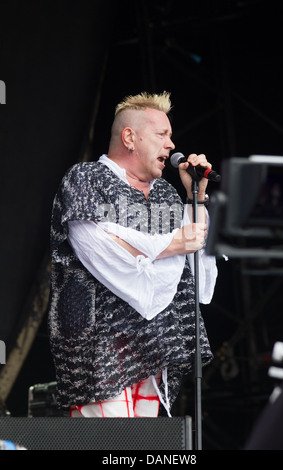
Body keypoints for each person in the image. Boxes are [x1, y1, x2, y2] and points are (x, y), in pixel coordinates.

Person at [48, 91, 218, 418]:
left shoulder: (167, 194)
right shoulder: (85, 179)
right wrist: (172, 244)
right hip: (100, 355)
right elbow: (98, 247)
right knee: (110, 447)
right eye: (161, 135)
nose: (171, 145)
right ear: (130, 137)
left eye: (171, 136)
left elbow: (196, 267)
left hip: (155, 353)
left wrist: (195, 197)